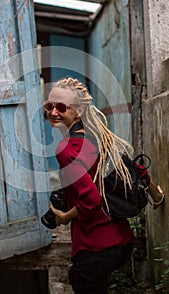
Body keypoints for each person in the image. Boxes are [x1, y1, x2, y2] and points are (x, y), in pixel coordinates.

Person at [44, 77, 164, 294]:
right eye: (49, 105)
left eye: (61, 107)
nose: (53, 112)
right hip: (122, 243)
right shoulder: (98, 138)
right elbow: (135, 170)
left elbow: (91, 201)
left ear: (79, 110)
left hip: (94, 247)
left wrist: (64, 217)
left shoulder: (67, 149)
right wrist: (157, 195)